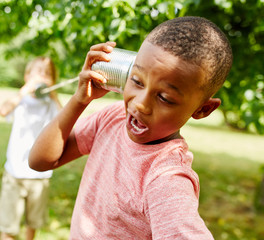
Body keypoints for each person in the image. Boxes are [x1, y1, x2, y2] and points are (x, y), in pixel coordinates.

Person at [29, 16, 233, 239]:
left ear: (203, 109)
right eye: (137, 80)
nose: (140, 104)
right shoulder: (113, 118)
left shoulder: (166, 179)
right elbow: (41, 161)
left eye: (164, 97)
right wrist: (79, 100)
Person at [0, 57, 61, 240]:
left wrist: (54, 95)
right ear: (27, 76)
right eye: (38, 72)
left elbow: (65, 121)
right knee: (8, 224)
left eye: (48, 74)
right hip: (14, 172)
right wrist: (23, 91)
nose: (43, 76)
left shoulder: (50, 104)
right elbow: (3, 111)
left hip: (40, 175)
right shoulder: (21, 101)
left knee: (33, 222)